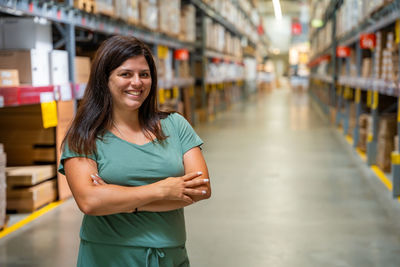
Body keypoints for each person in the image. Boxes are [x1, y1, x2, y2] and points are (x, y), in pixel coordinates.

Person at [58, 35, 211, 267]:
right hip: (108, 256)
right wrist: (162, 190)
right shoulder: (84, 134)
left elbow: (201, 189)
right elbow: (89, 201)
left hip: (169, 254)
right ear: (105, 79)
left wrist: (117, 199)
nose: (137, 82)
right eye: (125, 74)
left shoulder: (175, 125)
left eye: (144, 74)